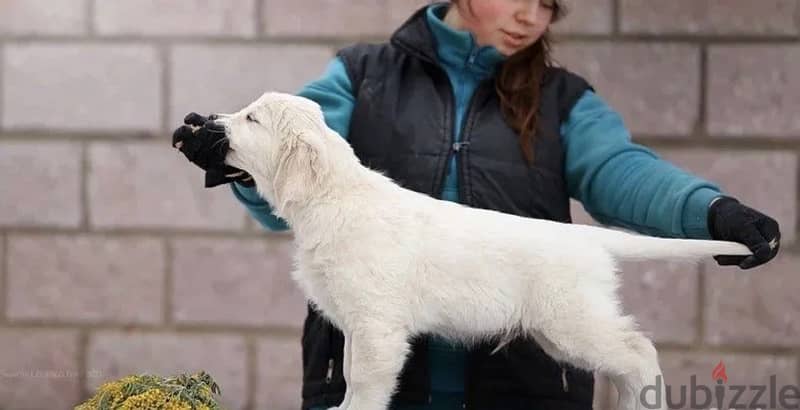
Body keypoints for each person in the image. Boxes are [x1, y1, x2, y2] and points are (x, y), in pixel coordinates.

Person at [172, 1, 781, 409]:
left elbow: (620, 172)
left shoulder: (562, 98)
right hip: (387, 388)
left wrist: (709, 212)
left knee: (589, 339)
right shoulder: (363, 73)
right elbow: (292, 156)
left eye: (546, 3)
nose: (529, 15)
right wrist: (232, 157)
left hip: (522, 386)